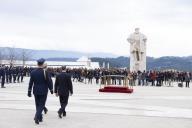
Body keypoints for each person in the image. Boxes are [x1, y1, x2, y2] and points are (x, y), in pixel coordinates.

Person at [27, 58, 53, 124]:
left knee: (37, 104)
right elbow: (49, 82)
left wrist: (29, 91)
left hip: (35, 90)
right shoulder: (46, 72)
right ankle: (37, 116)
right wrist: (51, 89)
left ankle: (40, 118)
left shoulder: (33, 72)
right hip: (43, 90)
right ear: (43, 64)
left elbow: (30, 83)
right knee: (42, 105)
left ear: (37, 64)